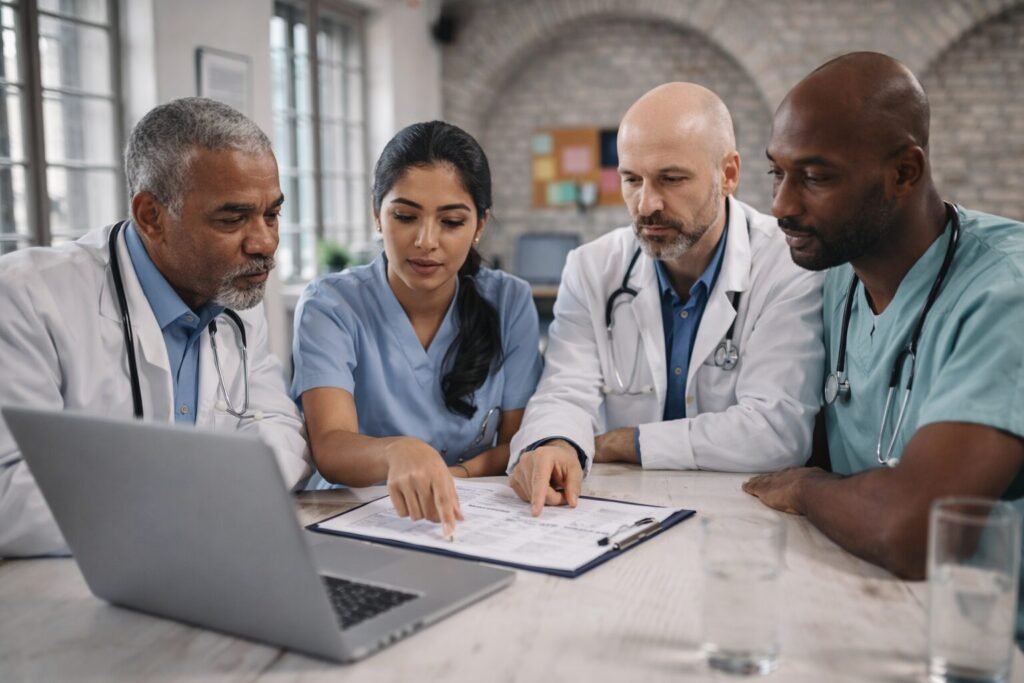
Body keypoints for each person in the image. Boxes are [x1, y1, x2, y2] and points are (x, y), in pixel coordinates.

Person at [744, 52, 1024, 580]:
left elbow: (913, 530)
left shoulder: (1006, 293)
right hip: (863, 592)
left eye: (815, 177)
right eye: (776, 172)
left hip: (986, 640)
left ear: (904, 173)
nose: (781, 204)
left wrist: (806, 488)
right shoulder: (837, 275)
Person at [0, 97, 311, 557]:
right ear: (151, 216)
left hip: (211, 556)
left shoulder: (235, 294)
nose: (264, 242)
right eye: (233, 218)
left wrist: (213, 492)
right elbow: (10, 490)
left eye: (272, 214)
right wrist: (192, 496)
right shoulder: (25, 298)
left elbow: (279, 425)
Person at [508, 82, 826, 515]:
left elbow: (776, 432)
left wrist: (626, 441)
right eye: (631, 179)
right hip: (617, 509)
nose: (646, 204)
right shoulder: (592, 268)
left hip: (736, 516)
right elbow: (564, 390)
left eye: (671, 179)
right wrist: (555, 442)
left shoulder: (785, 266)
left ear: (728, 174)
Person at [291, 121, 542, 537]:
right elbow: (331, 445)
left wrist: (450, 475)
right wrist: (398, 453)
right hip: (357, 519)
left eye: (451, 222)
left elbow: (518, 444)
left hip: (472, 520)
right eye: (405, 216)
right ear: (377, 216)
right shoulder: (330, 304)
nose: (426, 241)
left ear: (479, 226)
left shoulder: (509, 302)